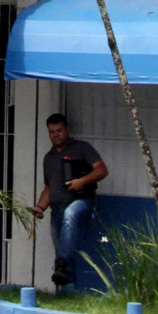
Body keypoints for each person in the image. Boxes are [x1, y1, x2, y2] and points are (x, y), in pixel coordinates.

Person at [32, 113, 107, 289]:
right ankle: (68, 292)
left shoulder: (82, 148)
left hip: (82, 201)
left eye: (59, 130)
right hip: (56, 209)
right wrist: (40, 207)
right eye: (52, 132)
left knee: (70, 215)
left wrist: (82, 181)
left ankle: (61, 263)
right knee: (64, 254)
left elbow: (102, 170)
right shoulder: (49, 157)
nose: (55, 135)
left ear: (67, 129)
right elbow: (49, 187)